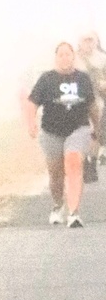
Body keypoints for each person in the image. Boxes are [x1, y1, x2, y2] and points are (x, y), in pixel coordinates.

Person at [25, 42, 100, 227]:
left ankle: (74, 213)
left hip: (78, 128)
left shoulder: (82, 79)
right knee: (56, 173)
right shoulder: (47, 79)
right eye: (61, 55)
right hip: (51, 131)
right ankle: (58, 205)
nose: (65, 58)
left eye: (68, 54)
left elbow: (92, 106)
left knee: (73, 163)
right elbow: (32, 103)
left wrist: (97, 128)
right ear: (56, 57)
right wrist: (31, 123)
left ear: (73, 57)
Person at [76, 31, 106, 164]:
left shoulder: (102, 58)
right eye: (85, 40)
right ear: (80, 43)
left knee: (96, 128)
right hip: (78, 100)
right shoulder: (74, 59)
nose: (88, 44)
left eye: (91, 40)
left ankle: (92, 159)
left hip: (97, 98)